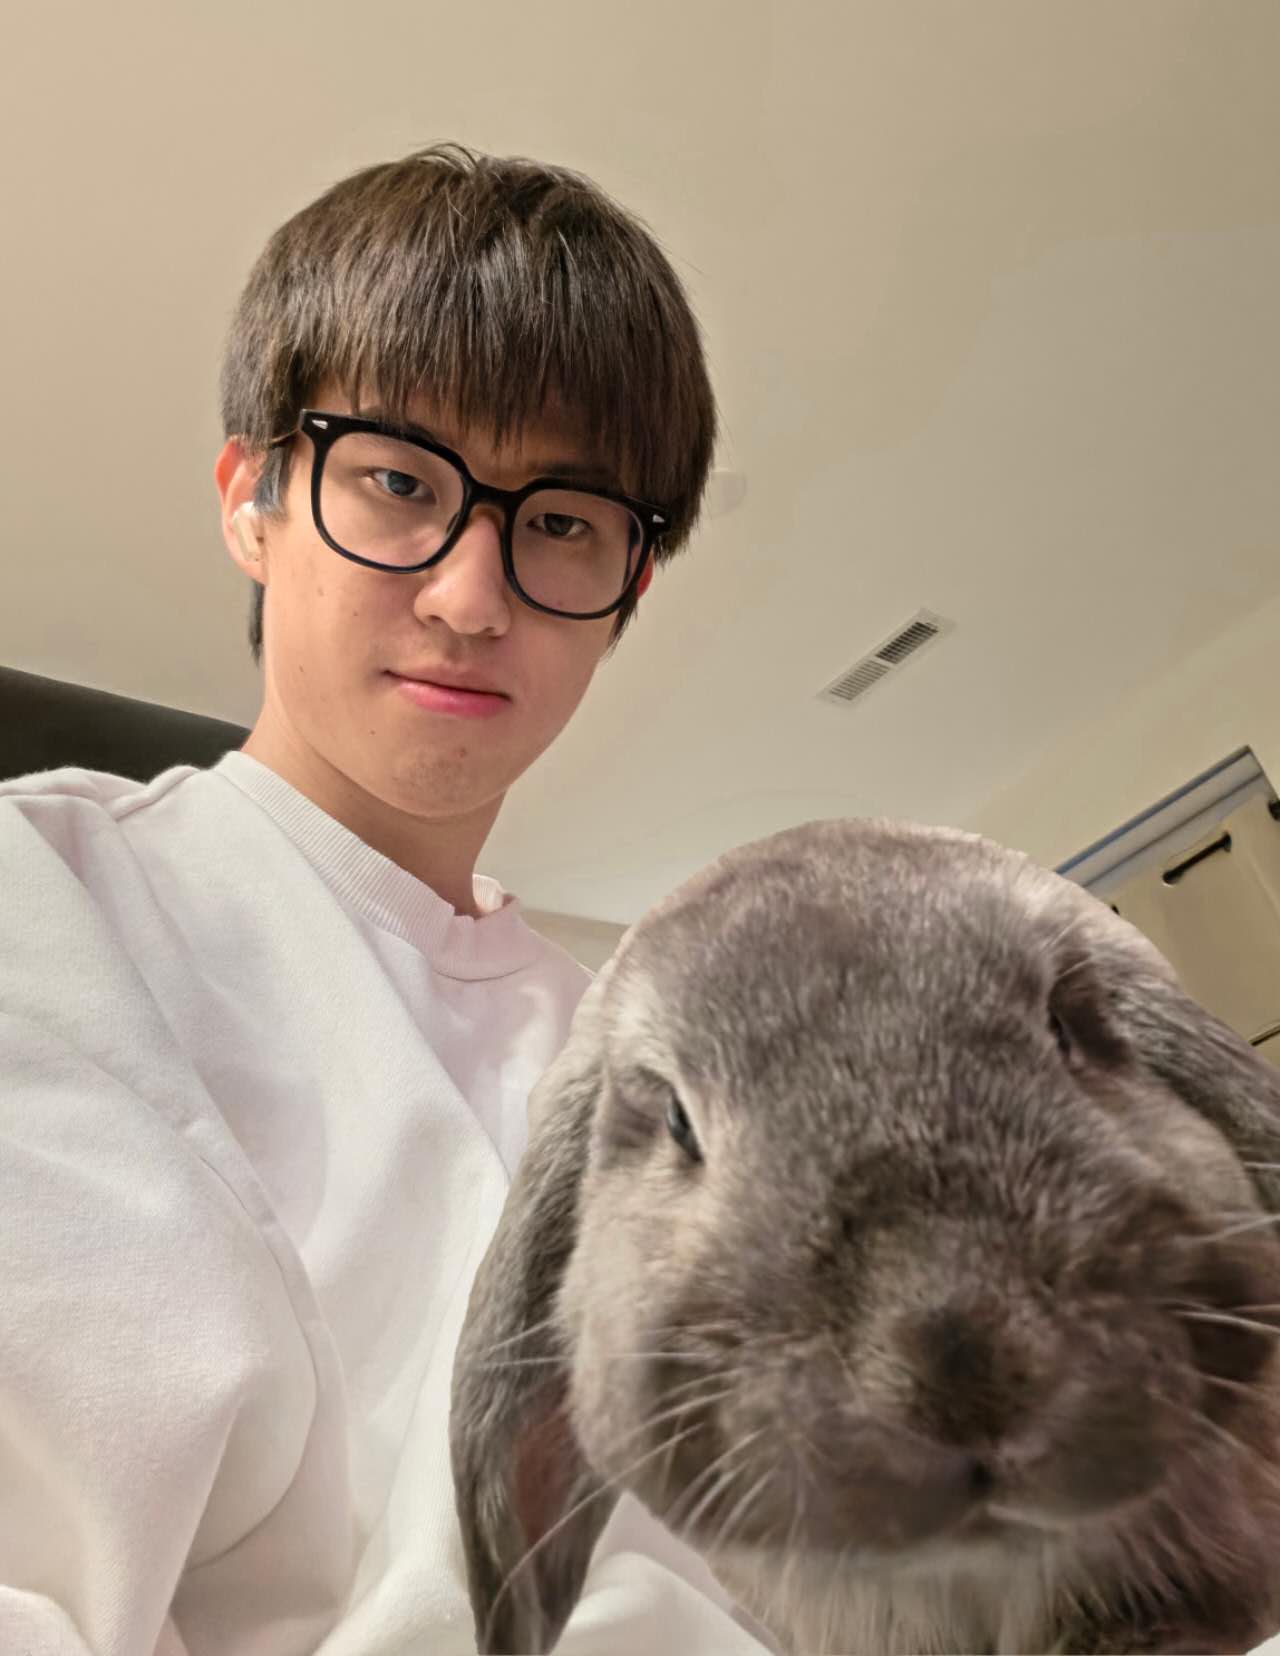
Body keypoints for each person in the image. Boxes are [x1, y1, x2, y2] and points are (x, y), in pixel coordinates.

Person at [0, 145, 766, 1653]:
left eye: (562, 521)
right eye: (402, 483)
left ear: (627, 591)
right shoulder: (48, 919)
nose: (472, 596)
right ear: (253, 499)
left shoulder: (665, 1069)